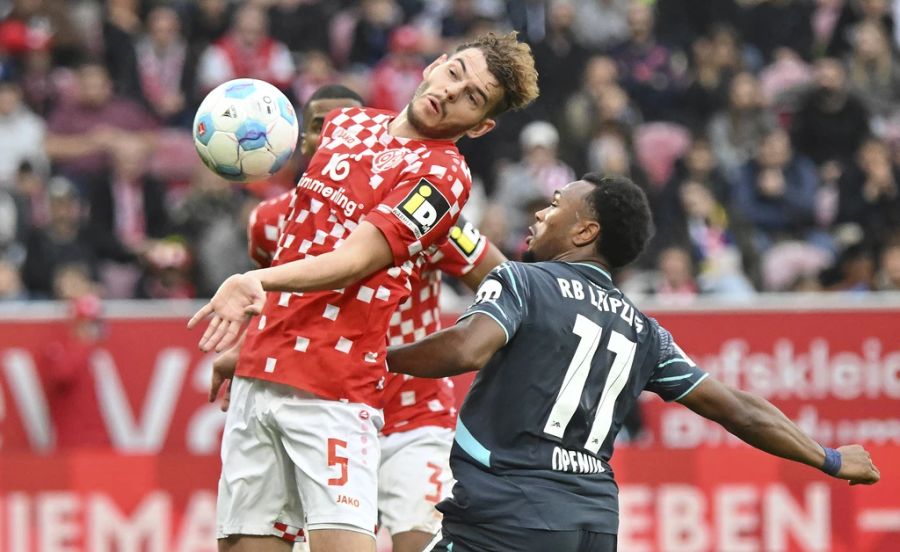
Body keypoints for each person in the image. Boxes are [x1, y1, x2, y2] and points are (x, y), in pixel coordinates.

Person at [386, 173, 881, 552]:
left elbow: (465, 348)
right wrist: (829, 458)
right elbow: (738, 409)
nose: (540, 213)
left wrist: (379, 359)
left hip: (505, 518)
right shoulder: (645, 331)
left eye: (556, 205)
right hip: (595, 525)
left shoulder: (522, 281)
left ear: (585, 231)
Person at [190, 32, 539, 552]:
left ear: (481, 124)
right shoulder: (348, 124)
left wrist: (251, 281)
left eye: (472, 96)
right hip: (262, 379)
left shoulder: (443, 178)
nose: (451, 91)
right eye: (455, 73)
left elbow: (354, 261)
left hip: (336, 390)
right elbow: (301, 251)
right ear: (436, 65)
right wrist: (249, 348)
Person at [240, 84, 507, 552]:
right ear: (304, 140)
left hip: (412, 411)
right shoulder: (268, 223)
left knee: (419, 544)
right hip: (318, 396)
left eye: (352, 123)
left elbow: (502, 279)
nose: (341, 135)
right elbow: (273, 306)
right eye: (324, 125)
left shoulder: (427, 209)